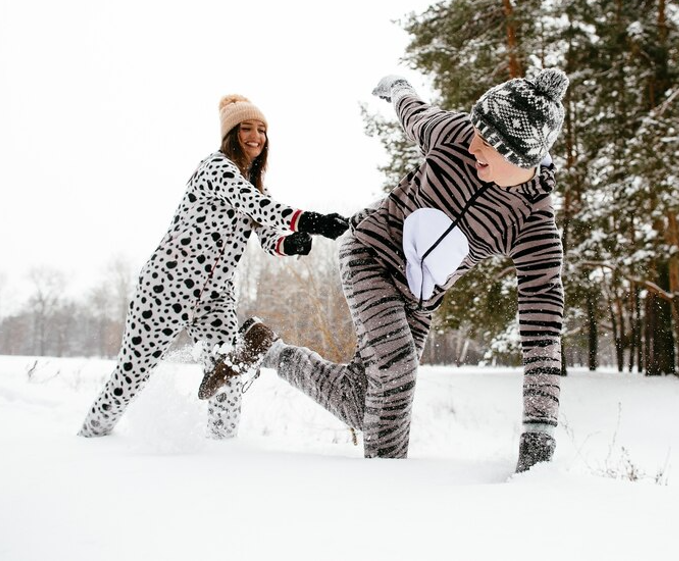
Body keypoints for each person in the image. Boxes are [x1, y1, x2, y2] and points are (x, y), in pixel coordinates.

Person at [200, 70, 567, 472]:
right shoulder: (453, 134)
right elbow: (414, 112)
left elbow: (543, 332)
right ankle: (385, 492)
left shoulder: (532, 222)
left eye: (487, 141)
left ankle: (268, 349)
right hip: (369, 253)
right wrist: (397, 88)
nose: (473, 142)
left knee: (367, 403)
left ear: (518, 156)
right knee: (397, 373)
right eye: (475, 129)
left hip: (418, 300)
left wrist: (539, 431)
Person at [79, 94, 348, 440]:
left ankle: (221, 453)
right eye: (246, 129)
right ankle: (91, 438)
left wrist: (291, 242)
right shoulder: (216, 168)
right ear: (230, 134)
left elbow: (268, 236)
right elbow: (256, 205)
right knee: (133, 374)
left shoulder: (254, 185)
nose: (255, 137)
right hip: (169, 284)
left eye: (262, 130)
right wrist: (311, 220)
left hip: (216, 296)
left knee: (227, 377)